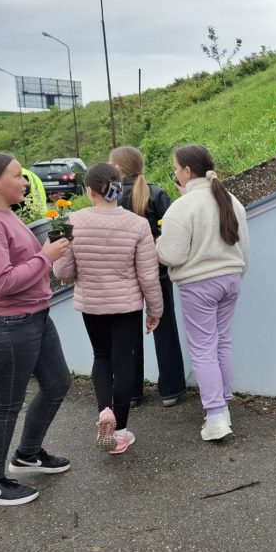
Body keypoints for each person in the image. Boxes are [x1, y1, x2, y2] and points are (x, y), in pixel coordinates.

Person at [0, 152, 72, 506]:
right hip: (10, 324)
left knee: (57, 384)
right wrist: (46, 257)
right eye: (17, 175)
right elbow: (3, 282)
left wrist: (42, 255)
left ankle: (28, 454)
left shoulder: (4, 214)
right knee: (6, 405)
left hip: (35, 316)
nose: (25, 182)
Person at [53, 163, 163, 455]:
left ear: (89, 191)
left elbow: (63, 272)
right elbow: (148, 275)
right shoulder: (138, 224)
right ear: (118, 188)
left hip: (92, 304)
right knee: (124, 362)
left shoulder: (72, 221)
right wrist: (155, 310)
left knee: (101, 356)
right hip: (127, 305)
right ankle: (121, 432)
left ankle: (104, 410)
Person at [156, 145, 249, 441]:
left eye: (175, 168)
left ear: (187, 171)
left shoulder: (182, 207)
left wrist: (157, 245)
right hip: (231, 278)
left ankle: (216, 415)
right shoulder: (231, 200)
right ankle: (223, 405)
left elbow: (171, 254)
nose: (175, 173)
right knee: (222, 342)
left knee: (203, 348)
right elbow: (244, 247)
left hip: (198, 284)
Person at [110, 145, 187, 408]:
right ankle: (171, 390)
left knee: (127, 333)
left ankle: (131, 393)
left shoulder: (111, 196)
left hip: (124, 274)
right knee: (166, 330)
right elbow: (172, 232)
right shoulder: (156, 193)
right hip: (157, 271)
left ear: (117, 168)